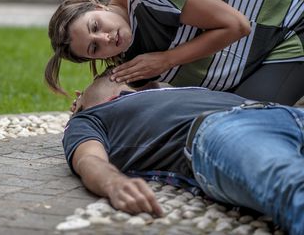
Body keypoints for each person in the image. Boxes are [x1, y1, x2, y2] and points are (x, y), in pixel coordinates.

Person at [63, 68, 304, 235]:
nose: (117, 71)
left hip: (283, 114)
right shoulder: (87, 118)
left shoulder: (173, 90)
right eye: (110, 74)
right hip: (221, 130)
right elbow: (88, 158)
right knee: (292, 180)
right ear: (79, 100)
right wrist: (112, 182)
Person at [45, 0, 304, 105]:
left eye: (96, 25)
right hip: (257, 64)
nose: (106, 38)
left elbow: (237, 25)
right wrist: (91, 101)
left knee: (248, 125)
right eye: (94, 47)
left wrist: (166, 60)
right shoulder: (131, 56)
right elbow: (144, 99)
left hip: (288, 27)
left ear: (98, 5)